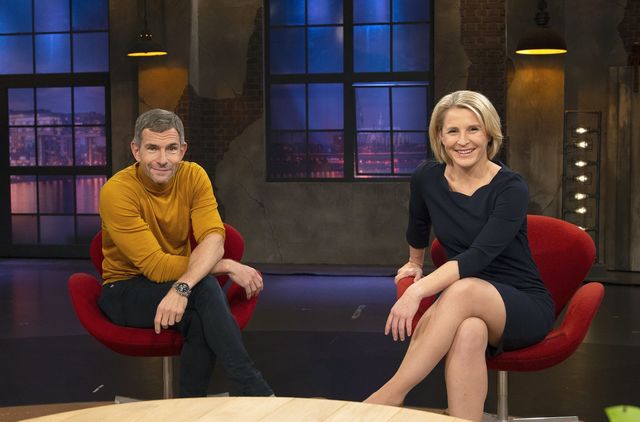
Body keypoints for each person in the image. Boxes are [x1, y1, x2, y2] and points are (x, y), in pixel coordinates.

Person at [364, 90, 555, 421]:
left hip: (520, 304)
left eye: (473, 129)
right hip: (464, 301)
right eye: (453, 131)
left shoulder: (511, 188)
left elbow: (478, 256)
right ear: (440, 136)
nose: (463, 141)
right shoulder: (427, 178)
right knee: (469, 330)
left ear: (489, 134)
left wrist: (417, 291)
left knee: (463, 289)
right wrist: (414, 262)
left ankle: (388, 396)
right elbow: (418, 225)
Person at [97, 108, 273, 398]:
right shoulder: (117, 191)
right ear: (136, 151)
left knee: (200, 319)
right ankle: (257, 392)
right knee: (205, 288)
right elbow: (155, 266)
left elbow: (214, 238)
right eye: (152, 148)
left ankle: (189, 407)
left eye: (171, 148)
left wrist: (182, 286)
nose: (162, 159)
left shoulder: (194, 176)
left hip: (176, 281)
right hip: (124, 289)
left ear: (182, 150)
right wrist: (227, 265)